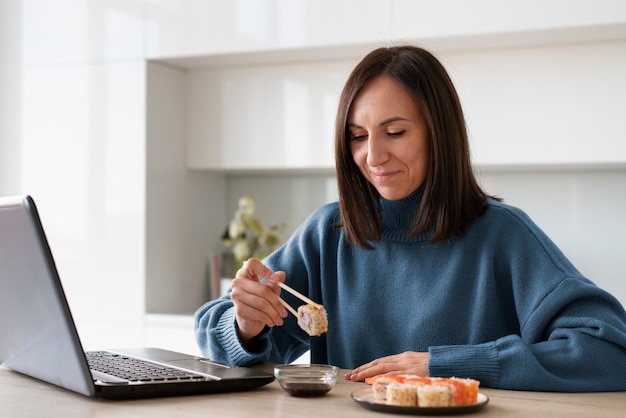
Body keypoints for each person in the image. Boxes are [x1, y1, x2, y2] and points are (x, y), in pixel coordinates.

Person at [194, 45, 626, 392]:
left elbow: (608, 350)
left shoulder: (503, 235)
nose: (373, 156)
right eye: (358, 136)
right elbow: (214, 334)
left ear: (439, 132)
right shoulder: (329, 234)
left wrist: (445, 366)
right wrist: (245, 326)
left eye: (395, 132)